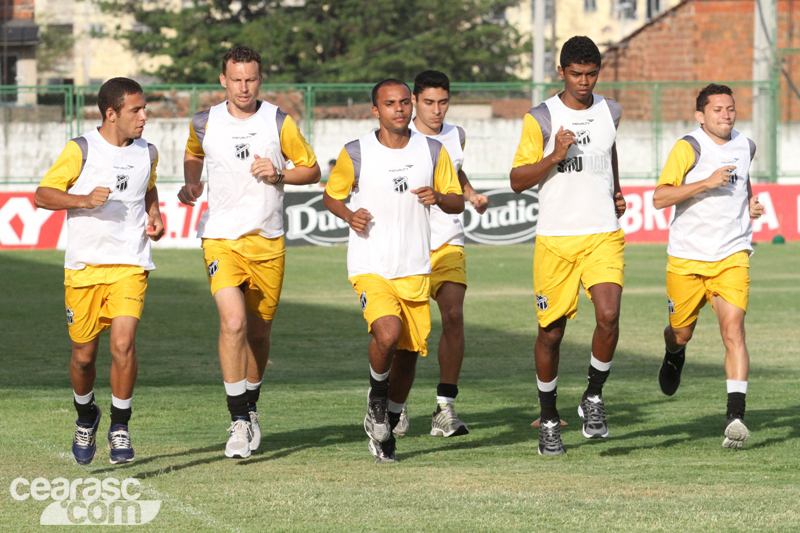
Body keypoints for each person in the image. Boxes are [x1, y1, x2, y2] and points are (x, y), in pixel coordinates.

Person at [178, 46, 320, 459]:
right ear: (223, 80)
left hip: (268, 241)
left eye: (251, 79)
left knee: (258, 332)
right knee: (234, 322)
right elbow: (193, 153)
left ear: (261, 79)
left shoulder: (278, 120)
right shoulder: (204, 121)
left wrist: (279, 173)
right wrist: (192, 184)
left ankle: (251, 406)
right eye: (236, 79)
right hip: (220, 238)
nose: (244, 87)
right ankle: (238, 419)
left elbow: (311, 170)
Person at [323, 79, 463, 462]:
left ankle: (389, 421)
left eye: (404, 102)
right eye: (390, 103)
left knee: (407, 354)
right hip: (371, 264)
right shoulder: (357, 151)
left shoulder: (432, 150)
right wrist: (351, 215)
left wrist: (439, 197)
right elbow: (331, 195)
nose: (399, 109)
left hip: (416, 268)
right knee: (388, 332)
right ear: (376, 110)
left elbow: (456, 201)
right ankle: (377, 402)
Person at [34, 78, 164, 465]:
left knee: (123, 344)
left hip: (130, 262)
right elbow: (42, 195)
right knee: (84, 357)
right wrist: (83, 200)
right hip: (84, 267)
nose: (145, 116)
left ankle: (120, 426)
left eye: (144, 108)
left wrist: (154, 214)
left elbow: (148, 189)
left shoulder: (148, 152)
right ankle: (86, 414)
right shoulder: (82, 149)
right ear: (112, 114)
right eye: (136, 110)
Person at [509, 36, 627, 455]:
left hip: (603, 234)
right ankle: (549, 419)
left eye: (591, 73)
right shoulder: (540, 118)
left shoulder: (611, 110)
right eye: (576, 74)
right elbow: (518, 180)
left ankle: (593, 396)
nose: (584, 81)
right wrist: (554, 155)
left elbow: (608, 151)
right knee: (551, 334)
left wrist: (615, 189)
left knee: (609, 316)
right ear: (561, 71)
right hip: (556, 241)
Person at [653, 84, 764, 449]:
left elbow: (743, 182)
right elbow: (660, 197)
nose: (726, 115)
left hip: (732, 254)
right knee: (680, 333)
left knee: (734, 331)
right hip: (686, 258)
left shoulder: (746, 145)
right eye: (717, 110)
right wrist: (706, 182)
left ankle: (735, 416)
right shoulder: (690, 147)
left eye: (730, 108)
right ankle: (674, 355)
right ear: (700, 115)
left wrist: (750, 205)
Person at [390, 70, 488, 438]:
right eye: (429, 102)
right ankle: (393, 405)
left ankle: (445, 408)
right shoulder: (398, 136)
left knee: (453, 316)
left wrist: (471, 193)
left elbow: (455, 172)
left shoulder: (456, 134)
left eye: (443, 102)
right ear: (413, 101)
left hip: (448, 239)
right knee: (406, 337)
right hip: (408, 245)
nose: (437, 110)